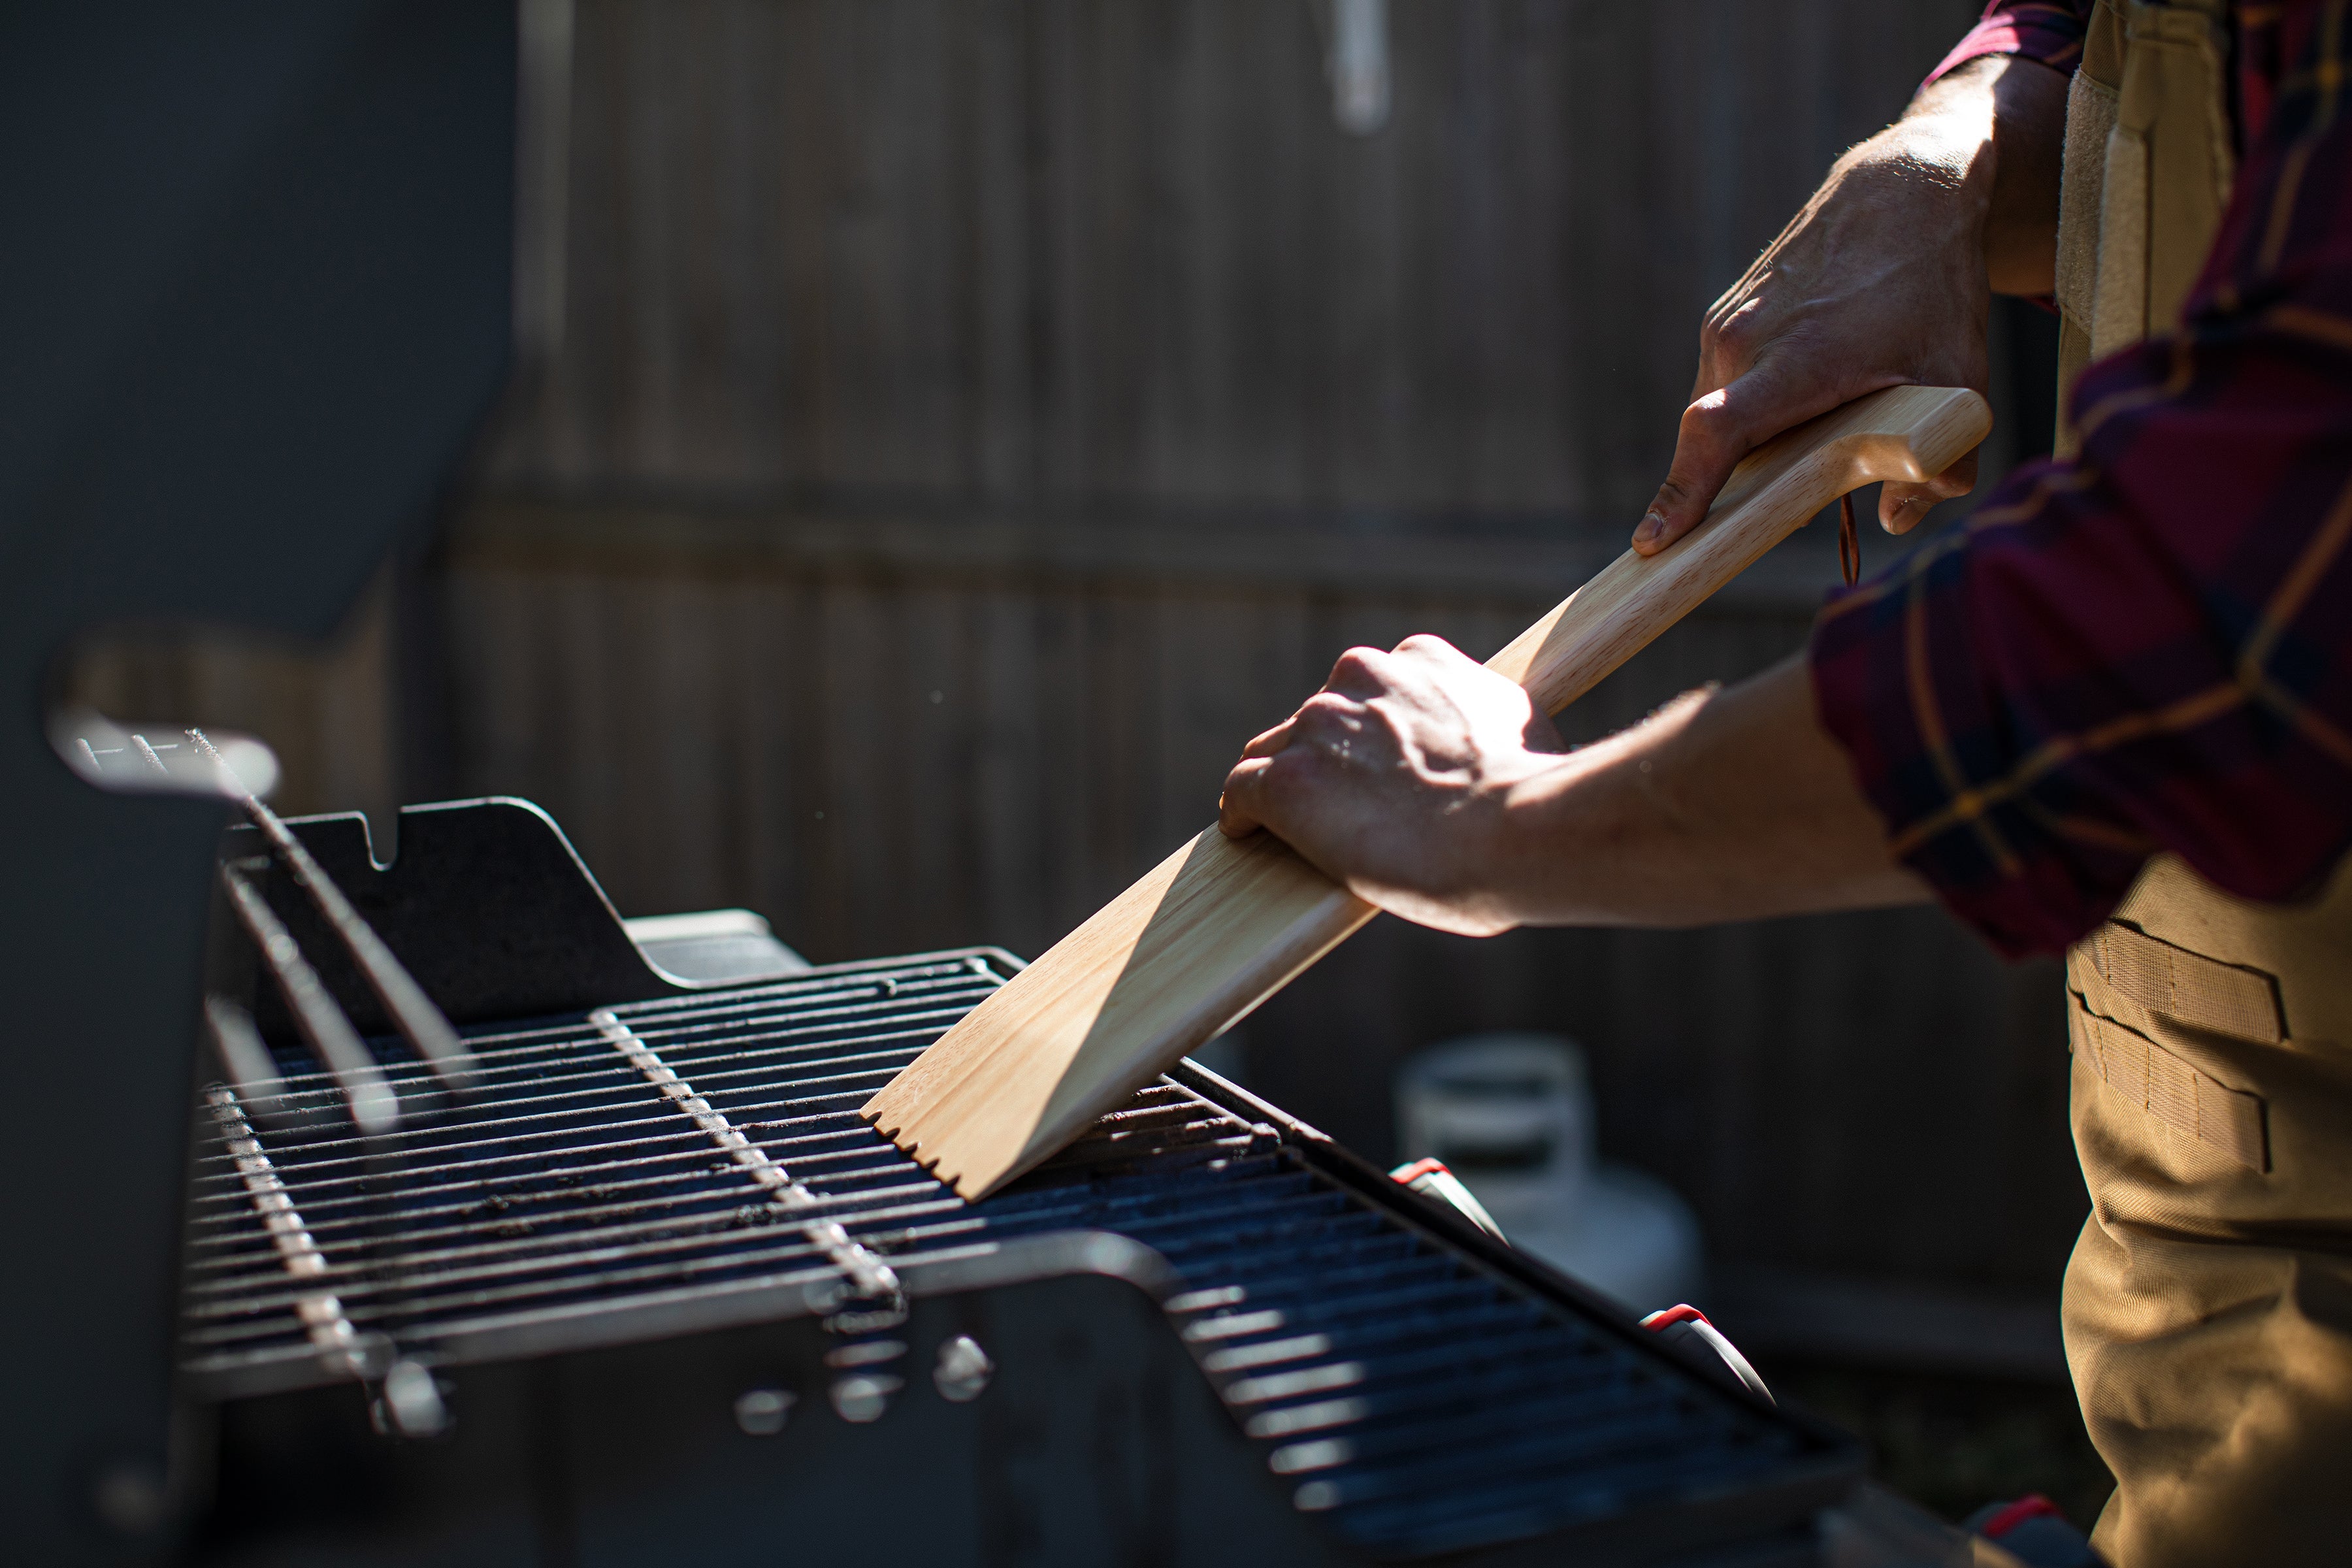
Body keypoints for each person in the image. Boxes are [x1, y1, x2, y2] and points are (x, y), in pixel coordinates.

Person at [1216, 3, 2352, 1564]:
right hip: (2226, 1246)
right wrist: (1944, 153)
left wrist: (1494, 826)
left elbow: (2213, 602)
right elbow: (2110, 31)